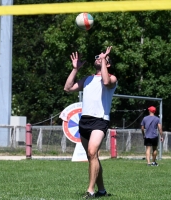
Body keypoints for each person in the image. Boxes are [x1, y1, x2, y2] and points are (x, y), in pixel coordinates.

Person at [64, 46, 117, 199]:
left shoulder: (112, 78)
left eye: (103, 58)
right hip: (85, 121)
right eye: (97, 57)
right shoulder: (87, 79)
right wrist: (75, 69)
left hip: (100, 121)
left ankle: (90, 191)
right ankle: (102, 190)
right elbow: (67, 88)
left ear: (107, 64)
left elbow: (106, 82)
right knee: (92, 157)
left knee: (93, 153)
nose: (98, 58)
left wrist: (103, 60)